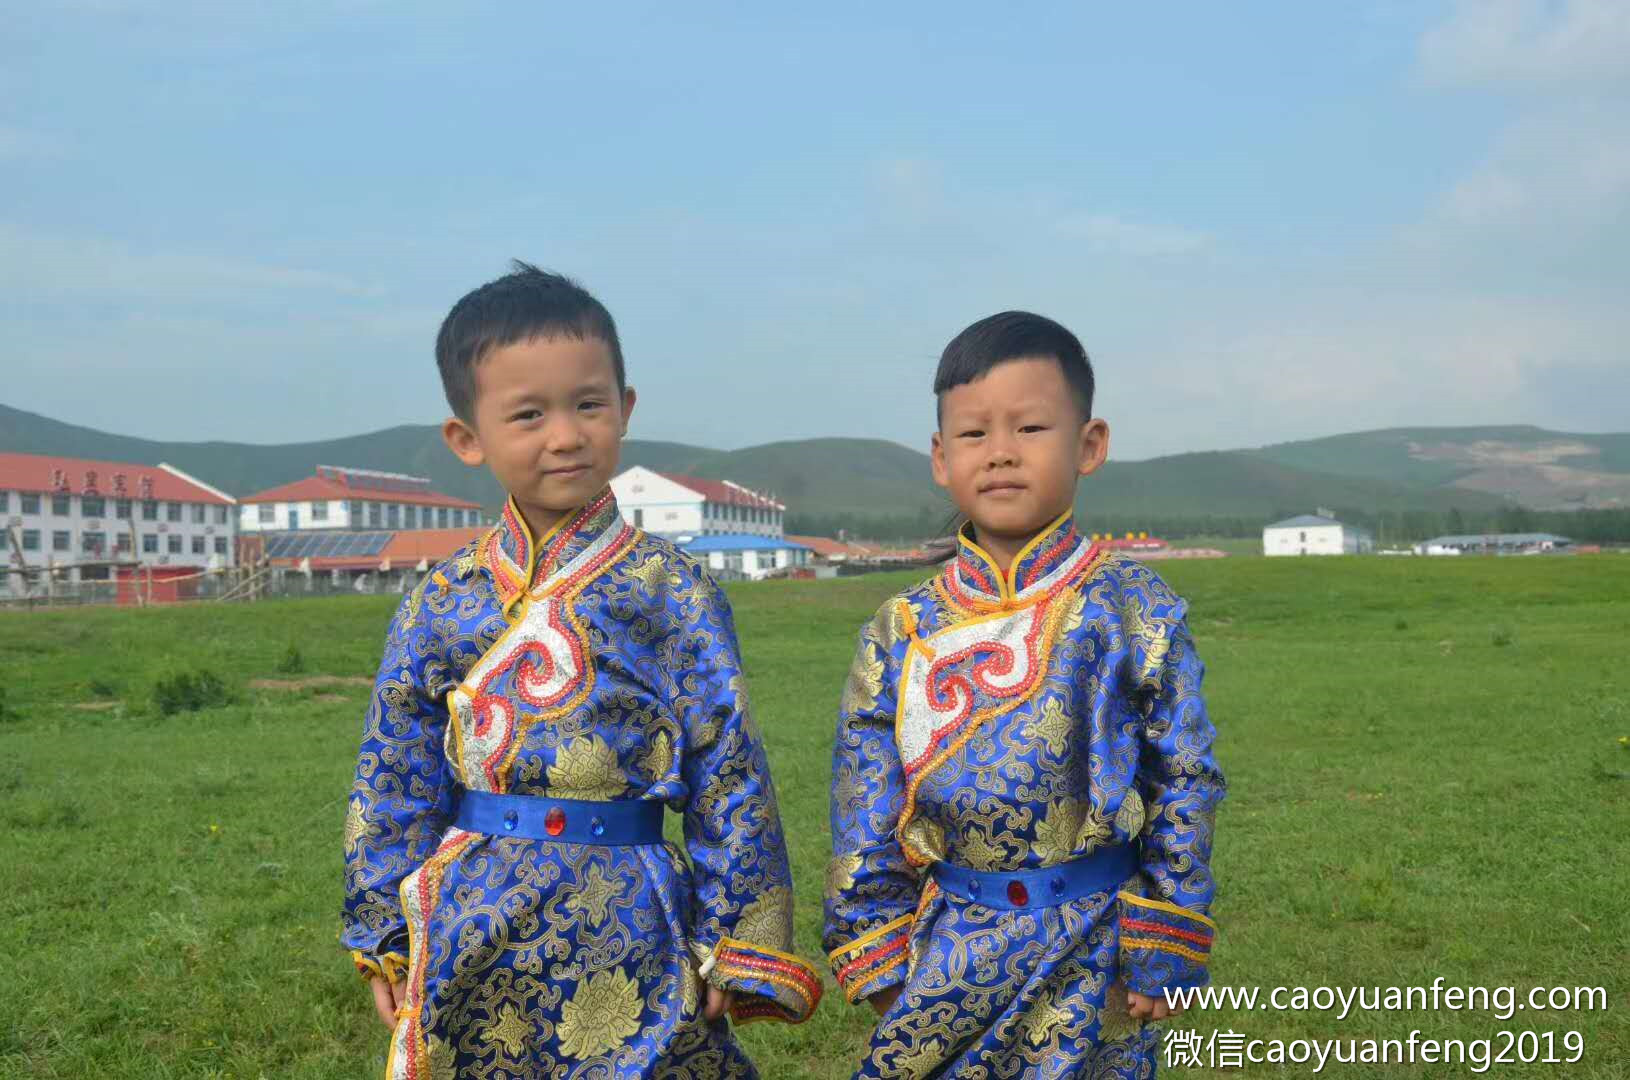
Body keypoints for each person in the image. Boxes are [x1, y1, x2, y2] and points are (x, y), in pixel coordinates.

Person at [342, 262, 821, 1079]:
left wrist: (735, 936)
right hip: (472, 916)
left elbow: (727, 764)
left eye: (588, 405)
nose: (565, 435)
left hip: (631, 908)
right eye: (528, 415)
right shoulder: (440, 598)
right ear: (469, 437)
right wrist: (385, 928)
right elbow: (393, 770)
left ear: (625, 410)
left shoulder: (673, 590)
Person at [824, 311, 1225, 1077]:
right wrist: (873, 942)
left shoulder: (1135, 608)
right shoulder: (900, 627)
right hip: (944, 947)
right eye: (974, 435)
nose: (1001, 453)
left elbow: (1184, 778)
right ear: (941, 458)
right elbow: (862, 800)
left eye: (1031, 428)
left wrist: (1162, 932)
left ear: (1089, 445)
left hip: (1094, 942)